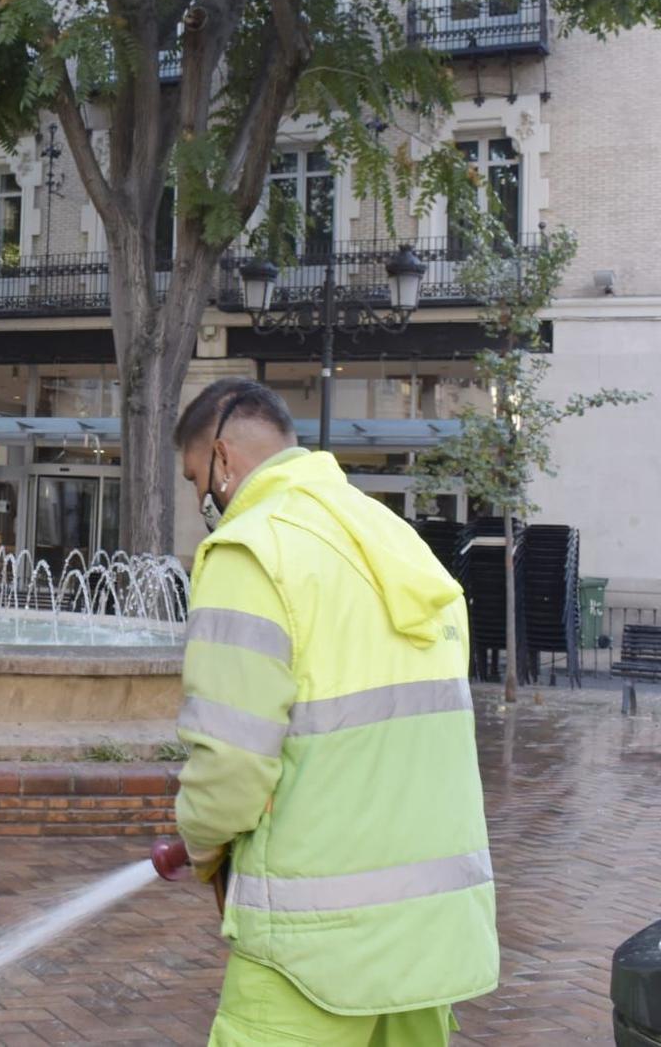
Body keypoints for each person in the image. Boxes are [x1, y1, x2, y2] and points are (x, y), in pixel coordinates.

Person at [172, 378, 497, 1046]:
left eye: (195, 476)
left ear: (225, 461)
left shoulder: (251, 549)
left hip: (312, 949)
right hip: (428, 940)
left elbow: (230, 762)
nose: (199, 497)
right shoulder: (392, 536)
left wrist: (202, 844)